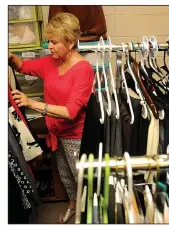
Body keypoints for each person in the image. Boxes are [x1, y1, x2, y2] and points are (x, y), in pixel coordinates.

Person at [8, 12, 94, 224]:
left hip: (77, 137)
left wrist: (32, 103)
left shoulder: (83, 69)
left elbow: (71, 111)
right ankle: (73, 207)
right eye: (49, 41)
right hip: (57, 134)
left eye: (55, 42)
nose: (50, 46)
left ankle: (89, 217)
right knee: (66, 177)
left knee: (83, 180)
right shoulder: (51, 62)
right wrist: (9, 57)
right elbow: (24, 66)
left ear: (71, 42)